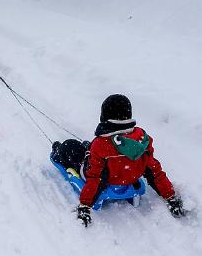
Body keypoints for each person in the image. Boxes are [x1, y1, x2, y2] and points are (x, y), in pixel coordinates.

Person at [53, 94, 186, 226]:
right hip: (127, 175)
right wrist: (170, 196)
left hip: (100, 176)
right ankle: (87, 149)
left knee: (70, 146)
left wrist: (85, 205)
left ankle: (58, 151)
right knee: (89, 146)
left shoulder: (101, 144)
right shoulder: (141, 141)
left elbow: (95, 178)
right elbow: (154, 172)